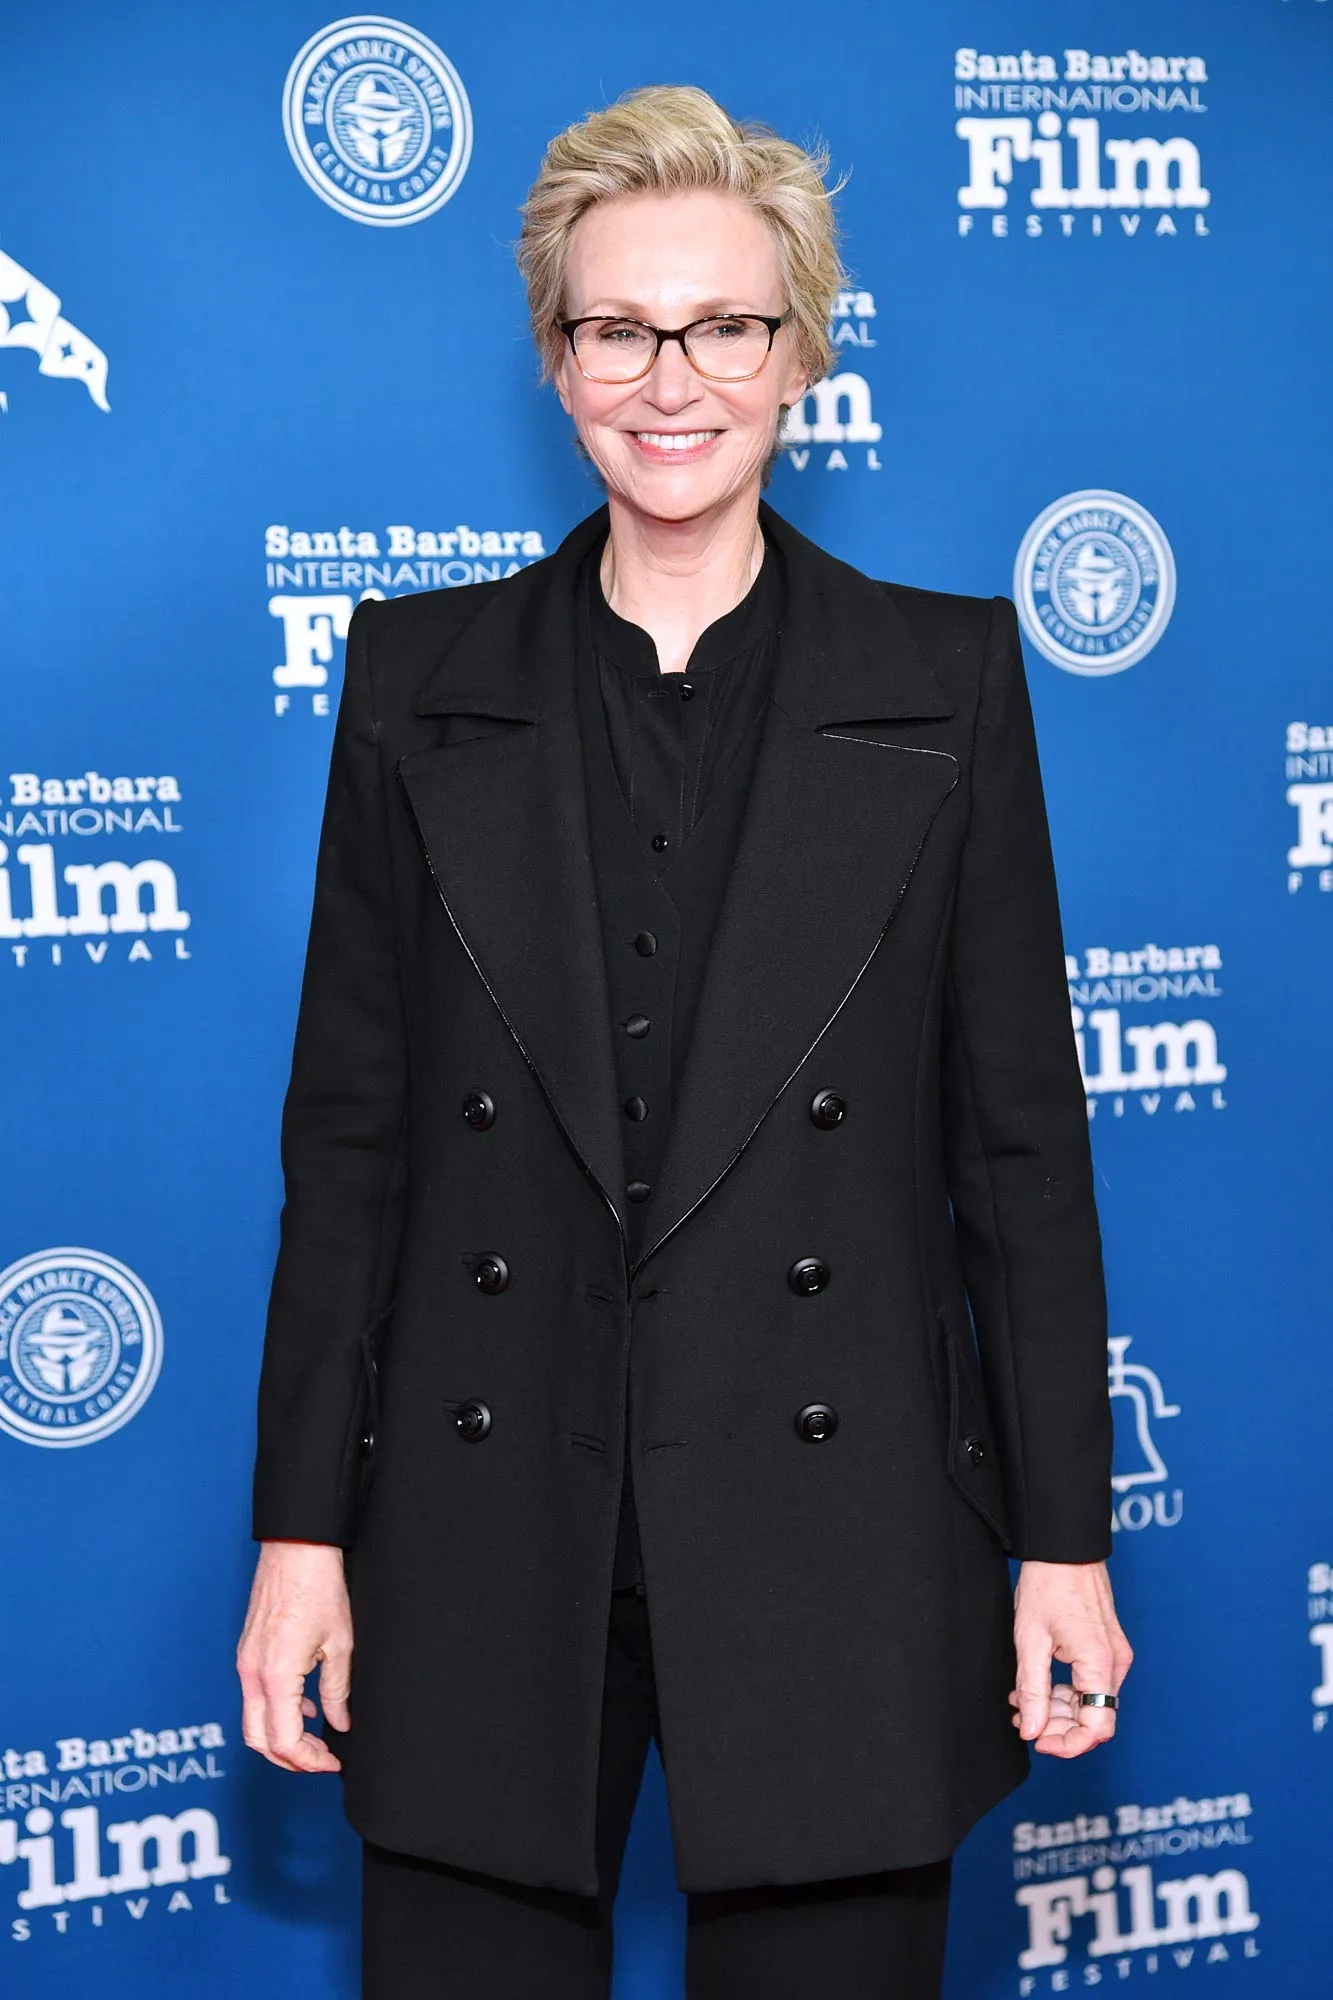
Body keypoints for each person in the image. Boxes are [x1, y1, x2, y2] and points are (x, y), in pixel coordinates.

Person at [238, 83, 1132, 2000]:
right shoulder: (415, 677)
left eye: (722, 326)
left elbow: (1021, 1153)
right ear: (555, 355)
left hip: (836, 1525)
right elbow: (354, 1148)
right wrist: (301, 1533)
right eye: (618, 328)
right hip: (485, 1526)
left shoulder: (947, 676)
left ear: (799, 346)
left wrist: (1067, 1544)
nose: (672, 381)